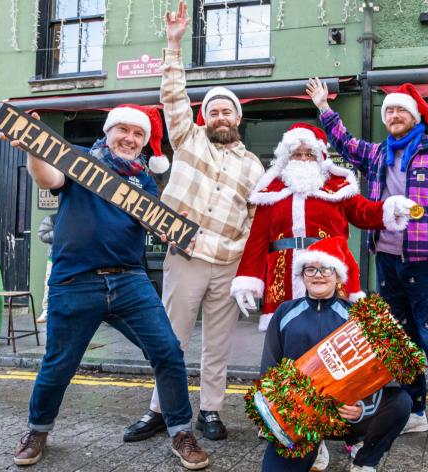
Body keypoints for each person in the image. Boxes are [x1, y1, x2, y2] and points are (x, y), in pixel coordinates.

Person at [0, 103, 209, 470]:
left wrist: (175, 232)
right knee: (59, 365)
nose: (129, 138)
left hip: (129, 281)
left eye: (138, 134)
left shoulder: (144, 182)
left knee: (168, 352)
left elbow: (157, 230)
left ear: (144, 142)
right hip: (74, 282)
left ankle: (180, 431)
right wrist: (33, 150)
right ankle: (37, 430)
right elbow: (48, 178)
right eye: (123, 130)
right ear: (108, 132)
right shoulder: (79, 159)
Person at [124, 0, 265, 444]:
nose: (221, 117)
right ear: (205, 117)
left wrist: (247, 270)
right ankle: (160, 410)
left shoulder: (254, 166)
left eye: (228, 112)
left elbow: (255, 219)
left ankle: (210, 411)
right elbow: (172, 95)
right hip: (185, 255)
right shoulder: (188, 139)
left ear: (238, 120)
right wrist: (173, 44)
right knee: (172, 340)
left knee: (218, 345)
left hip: (227, 263)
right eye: (215, 112)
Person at [307, 79, 428, 456]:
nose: (394, 116)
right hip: (389, 260)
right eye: (389, 112)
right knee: (402, 342)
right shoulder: (379, 154)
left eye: (401, 111)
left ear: (413, 116)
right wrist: (323, 108)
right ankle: (415, 411)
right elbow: (346, 143)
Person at [230, 122, 417, 332]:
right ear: (286, 158)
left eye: (308, 154)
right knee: (286, 335)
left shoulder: (337, 188)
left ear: (319, 157)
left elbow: (364, 212)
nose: (302, 159)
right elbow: (257, 240)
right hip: (283, 276)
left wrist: (391, 207)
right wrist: (248, 279)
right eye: (296, 154)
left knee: (333, 334)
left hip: (328, 270)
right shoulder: (270, 192)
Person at [260, 236, 412, 472]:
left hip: (345, 416)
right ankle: (314, 445)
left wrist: (363, 407)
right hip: (302, 418)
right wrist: (272, 412)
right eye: (310, 269)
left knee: (401, 402)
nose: (318, 275)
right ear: (302, 275)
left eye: (326, 269)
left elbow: (382, 377)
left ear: (339, 276)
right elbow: (270, 365)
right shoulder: (285, 312)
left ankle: (364, 461)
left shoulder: (359, 318)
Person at [35, 214, 55, 323]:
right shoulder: (52, 218)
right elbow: (42, 235)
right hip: (54, 257)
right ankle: (47, 310)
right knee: (49, 282)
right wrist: (62, 230)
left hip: (75, 258)